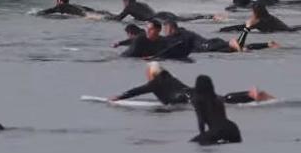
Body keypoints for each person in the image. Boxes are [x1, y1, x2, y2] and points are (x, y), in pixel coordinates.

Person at [111, 63, 273, 107]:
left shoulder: (155, 82)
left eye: (147, 72)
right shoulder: (169, 77)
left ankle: (250, 95)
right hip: (192, 92)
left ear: (152, 73)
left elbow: (138, 91)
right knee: (222, 100)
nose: (146, 75)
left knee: (222, 102)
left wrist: (119, 96)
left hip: (188, 98)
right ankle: (250, 94)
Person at [164, 20, 277, 53]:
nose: (165, 32)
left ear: (171, 28)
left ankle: (230, 42)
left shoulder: (181, 35)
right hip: (215, 45)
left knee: (233, 45)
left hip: (210, 45)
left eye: (166, 29)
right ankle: (267, 44)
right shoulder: (183, 33)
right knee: (242, 48)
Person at [190, 75, 242, 145]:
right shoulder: (219, 99)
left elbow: (201, 121)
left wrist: (203, 136)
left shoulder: (198, 100)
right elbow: (223, 117)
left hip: (218, 130)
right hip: (233, 128)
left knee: (192, 143)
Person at [109, 0, 213, 23]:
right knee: (184, 19)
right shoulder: (142, 4)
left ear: (126, 1)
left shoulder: (129, 7)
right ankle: (206, 16)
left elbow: (119, 19)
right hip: (162, 14)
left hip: (157, 18)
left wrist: (104, 18)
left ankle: (207, 17)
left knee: (183, 21)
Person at [121, 19, 189, 59]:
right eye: (147, 29)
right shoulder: (140, 40)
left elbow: (169, 51)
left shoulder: (163, 40)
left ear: (159, 30)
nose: (148, 31)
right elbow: (130, 55)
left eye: (151, 29)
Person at [219, 3, 299, 33]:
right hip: (290, 29)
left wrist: (223, 29)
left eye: (253, 11)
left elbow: (241, 27)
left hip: (288, 31)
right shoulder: (270, 17)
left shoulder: (261, 22)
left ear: (256, 13)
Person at [37, 0, 107, 17]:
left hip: (84, 16)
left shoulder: (60, 7)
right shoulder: (74, 5)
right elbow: (89, 9)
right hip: (87, 12)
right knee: (101, 13)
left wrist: (36, 13)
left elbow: (47, 11)